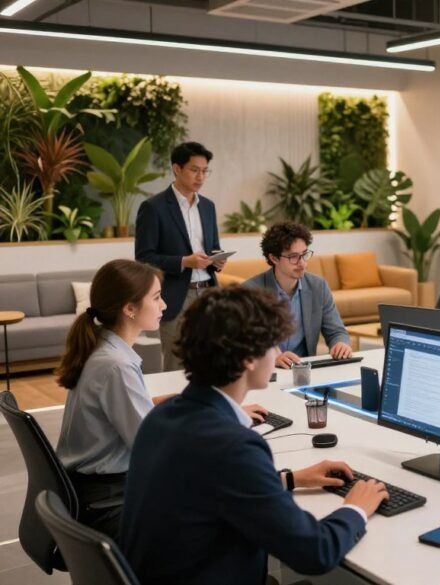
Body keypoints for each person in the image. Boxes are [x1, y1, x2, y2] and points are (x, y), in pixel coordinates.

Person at [120, 286, 388, 585]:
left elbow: (209, 487)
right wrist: (356, 508)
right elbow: (315, 552)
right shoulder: (233, 446)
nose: (276, 353)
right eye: (272, 344)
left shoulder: (163, 416)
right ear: (248, 358)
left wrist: (288, 479)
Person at [54, 260, 267, 540]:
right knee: (226, 518)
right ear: (129, 309)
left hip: (97, 491)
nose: (164, 306)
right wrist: (223, 426)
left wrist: (212, 408)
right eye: (156, 298)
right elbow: (153, 446)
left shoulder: (106, 350)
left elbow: (139, 408)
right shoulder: (116, 365)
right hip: (109, 502)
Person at [135, 141, 225, 371]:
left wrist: (217, 260)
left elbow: (213, 246)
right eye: (195, 170)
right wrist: (185, 261)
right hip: (176, 296)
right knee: (177, 364)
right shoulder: (153, 207)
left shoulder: (208, 206)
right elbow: (144, 259)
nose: (201, 177)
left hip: (208, 293)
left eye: (205, 171)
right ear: (177, 169)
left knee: (212, 359)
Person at [244, 221, 352, 369]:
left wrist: (341, 343)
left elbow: (336, 331)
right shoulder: (251, 291)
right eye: (293, 257)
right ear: (274, 258)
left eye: (304, 254)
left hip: (304, 371)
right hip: (267, 373)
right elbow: (243, 342)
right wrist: (270, 357)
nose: (302, 264)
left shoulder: (318, 287)